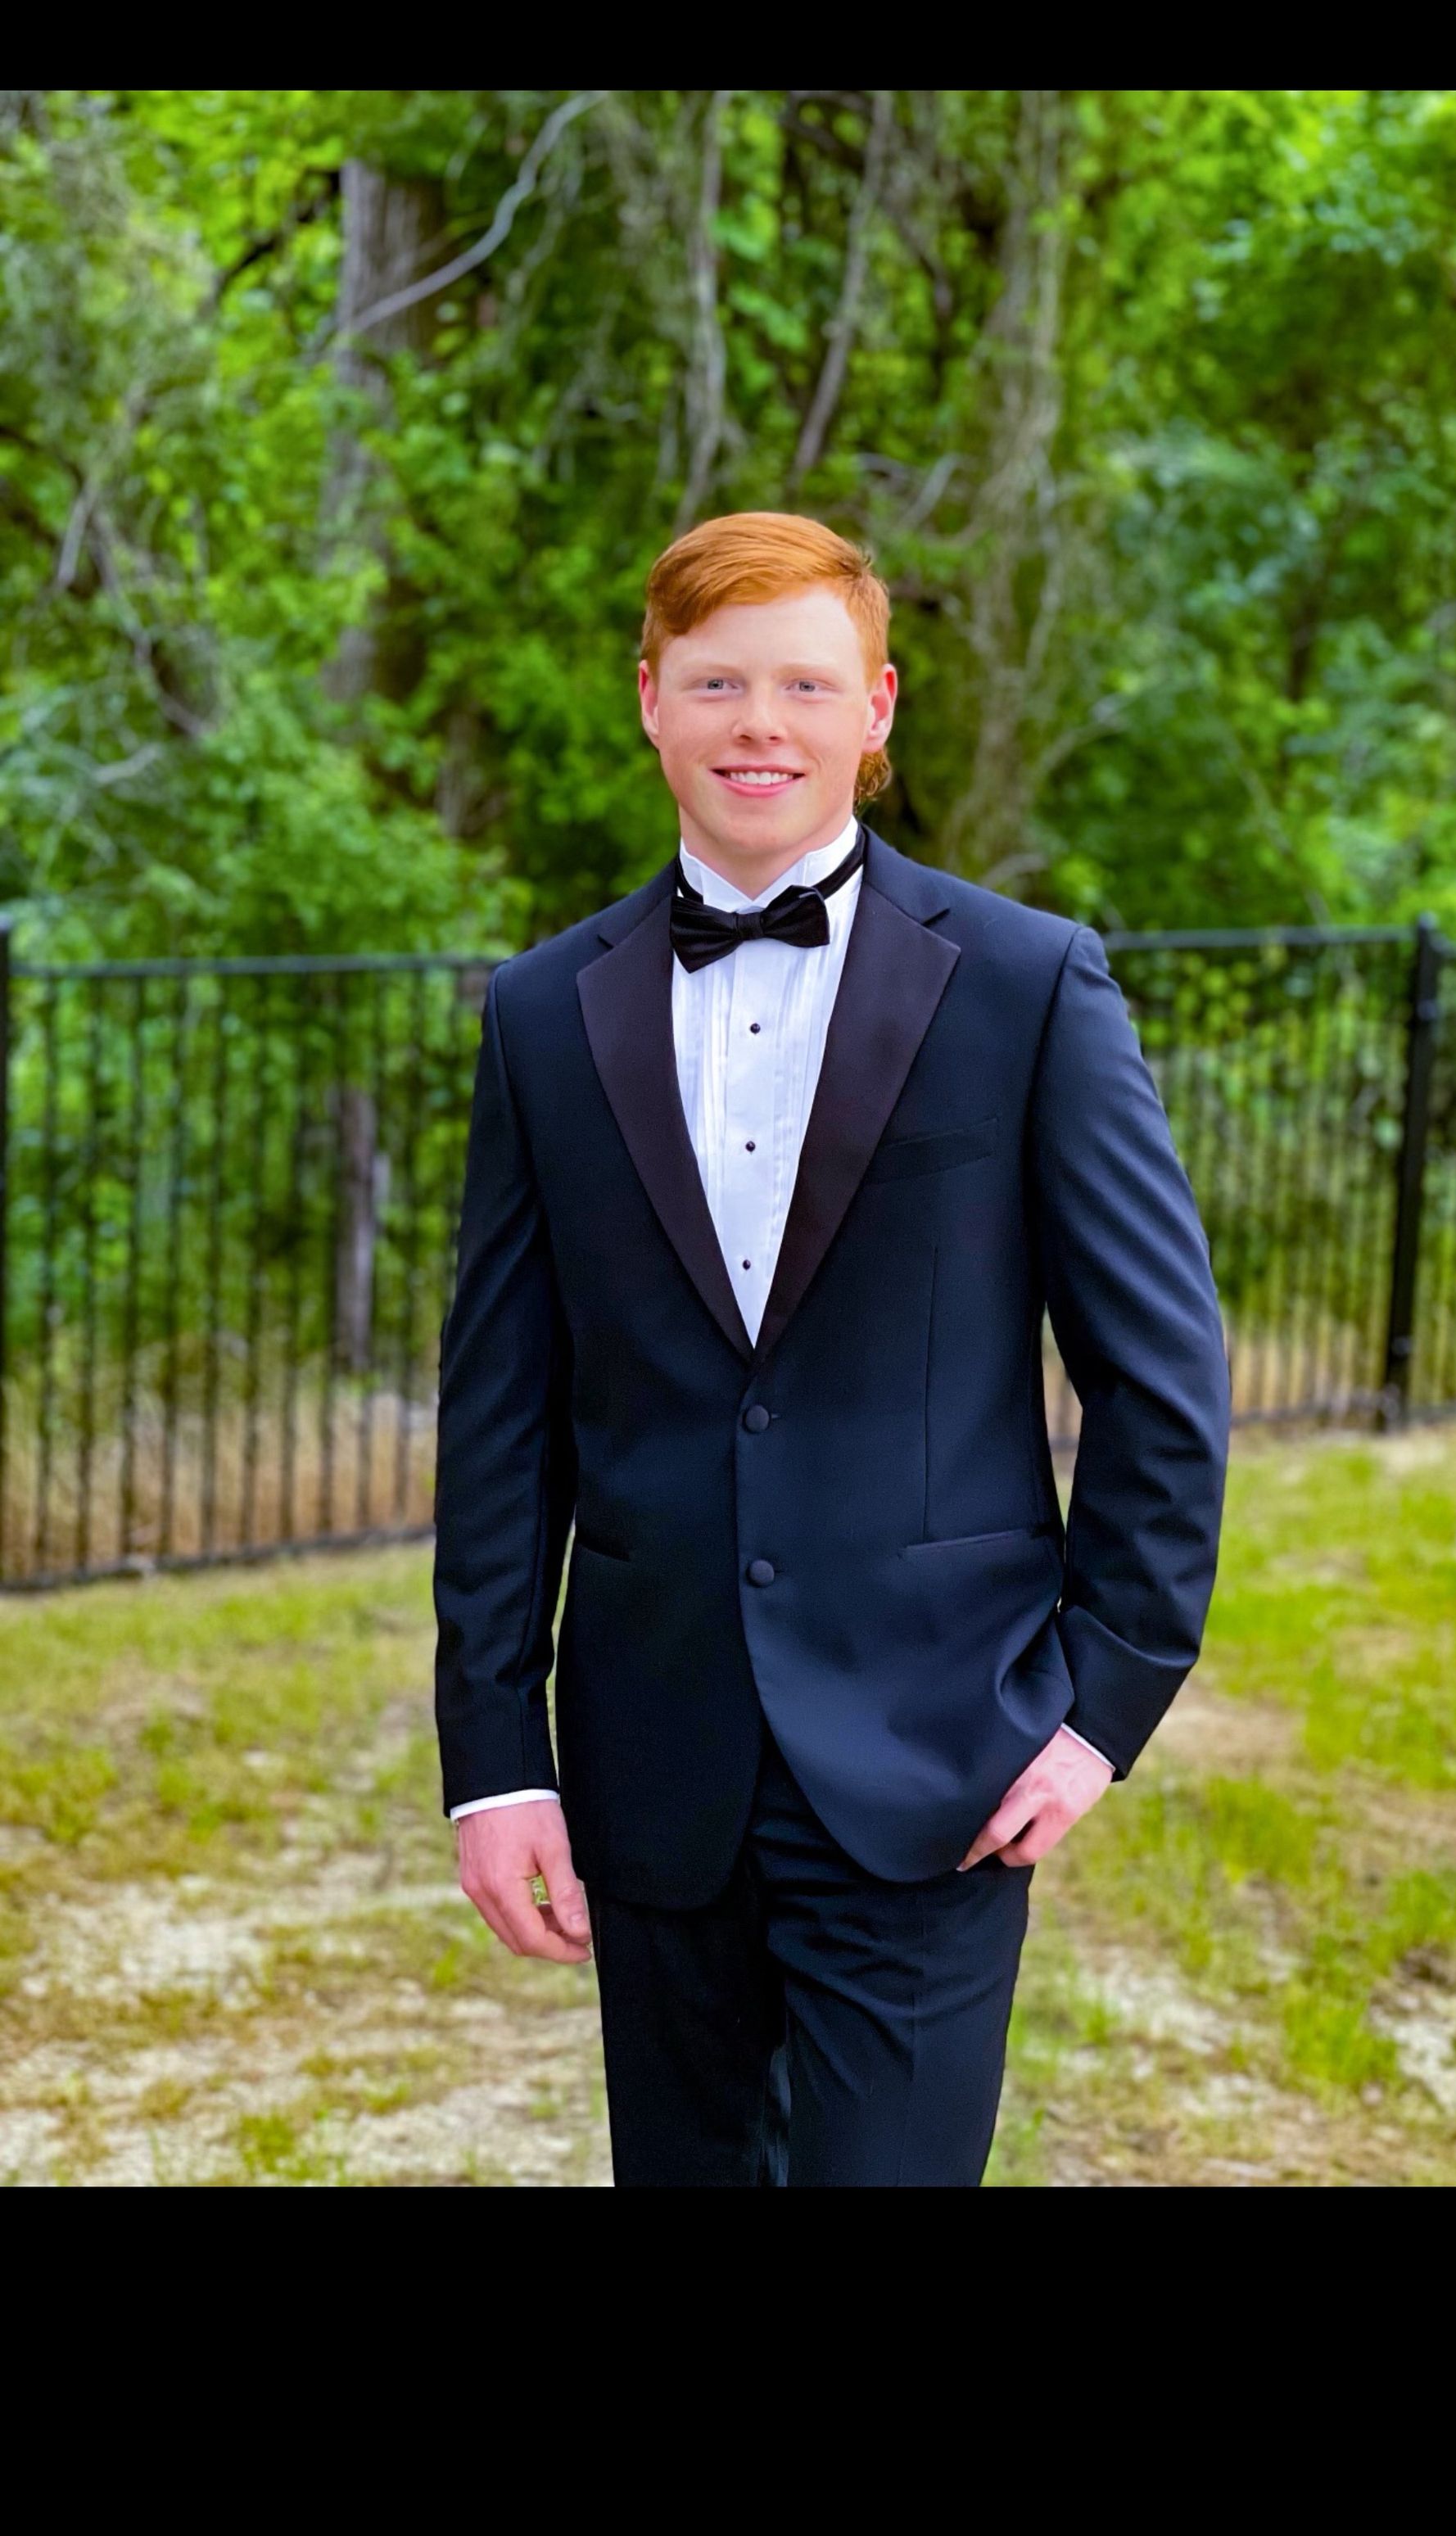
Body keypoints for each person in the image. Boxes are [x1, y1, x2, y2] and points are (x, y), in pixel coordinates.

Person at [434, 511, 1229, 2186]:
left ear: (876, 709)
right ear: (649, 698)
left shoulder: (1028, 986)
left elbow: (1159, 1379)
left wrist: (1101, 1709)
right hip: (655, 1756)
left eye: (803, 683)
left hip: (942, 1747)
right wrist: (495, 1763)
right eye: (717, 680)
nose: (758, 726)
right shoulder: (538, 1016)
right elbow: (500, 1425)